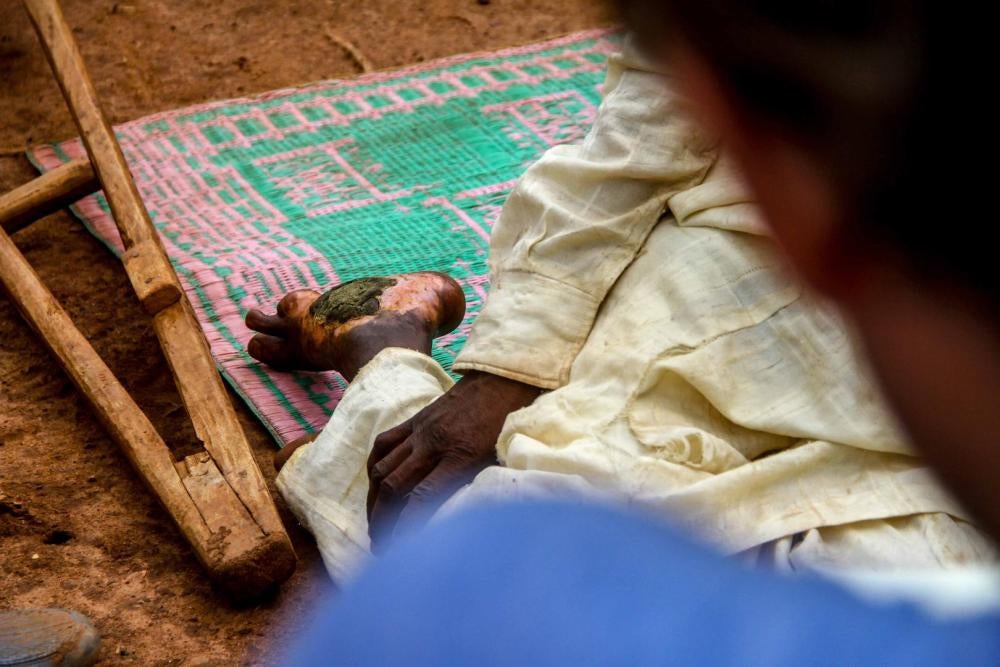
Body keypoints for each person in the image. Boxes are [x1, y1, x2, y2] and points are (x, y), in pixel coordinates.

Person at [278, 1, 1000, 663]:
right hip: (737, 303)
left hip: (889, 377)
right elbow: (635, 144)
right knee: (484, 542)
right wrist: (504, 371)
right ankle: (393, 357)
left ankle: (385, 357)